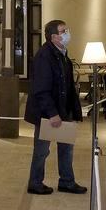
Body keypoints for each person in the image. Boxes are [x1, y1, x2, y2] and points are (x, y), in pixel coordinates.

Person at [23, 19, 86, 195]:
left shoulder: (61, 53)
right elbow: (41, 90)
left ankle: (67, 181)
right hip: (47, 113)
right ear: (53, 37)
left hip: (63, 110)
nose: (67, 33)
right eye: (63, 31)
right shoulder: (44, 56)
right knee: (42, 150)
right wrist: (52, 114)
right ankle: (35, 183)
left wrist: (70, 111)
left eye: (67, 29)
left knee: (66, 148)